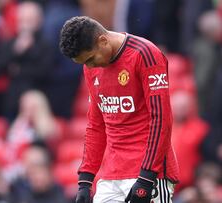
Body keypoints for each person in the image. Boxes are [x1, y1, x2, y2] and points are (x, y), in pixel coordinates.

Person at [59, 16, 179, 203]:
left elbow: (161, 119)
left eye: (91, 59)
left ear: (103, 40)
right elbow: (96, 125)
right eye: (84, 63)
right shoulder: (90, 67)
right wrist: (85, 180)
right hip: (111, 175)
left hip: (149, 173)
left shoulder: (145, 54)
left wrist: (146, 177)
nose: (90, 66)